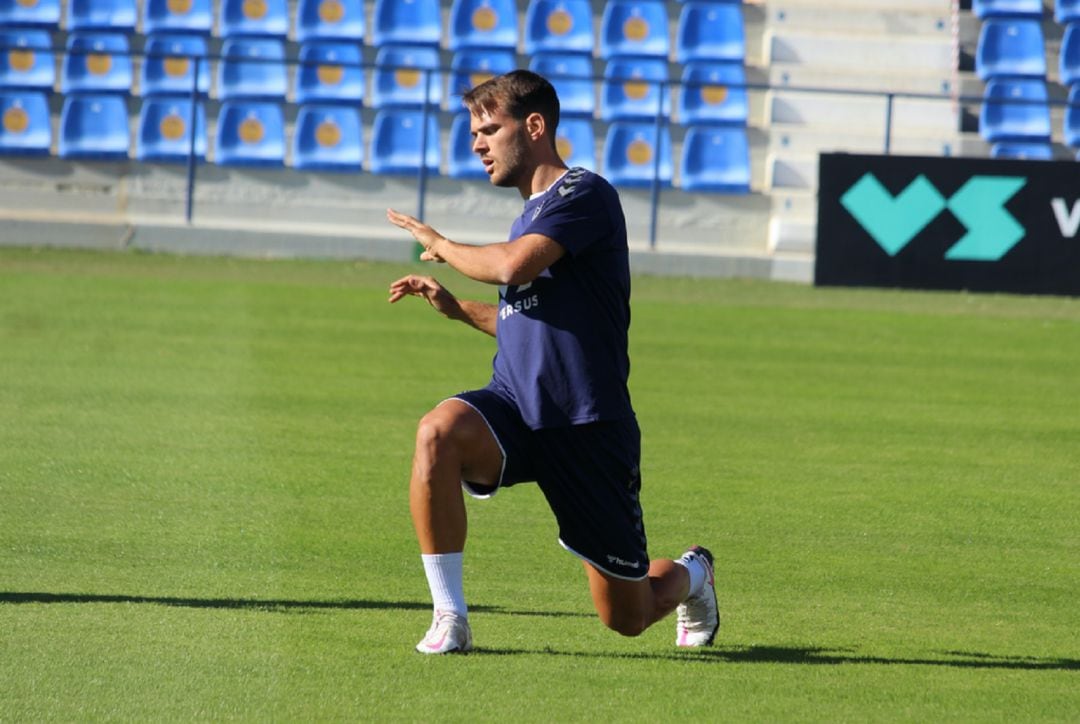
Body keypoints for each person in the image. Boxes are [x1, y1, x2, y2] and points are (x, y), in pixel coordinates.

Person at [387, 70, 717, 655]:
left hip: (587, 425)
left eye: (489, 129)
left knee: (628, 615)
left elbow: (514, 267)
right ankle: (450, 618)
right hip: (516, 407)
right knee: (436, 432)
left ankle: (692, 575)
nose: (477, 144)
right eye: (473, 132)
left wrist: (441, 245)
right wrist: (458, 309)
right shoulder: (528, 217)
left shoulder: (584, 195)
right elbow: (525, 320)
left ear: (534, 126)